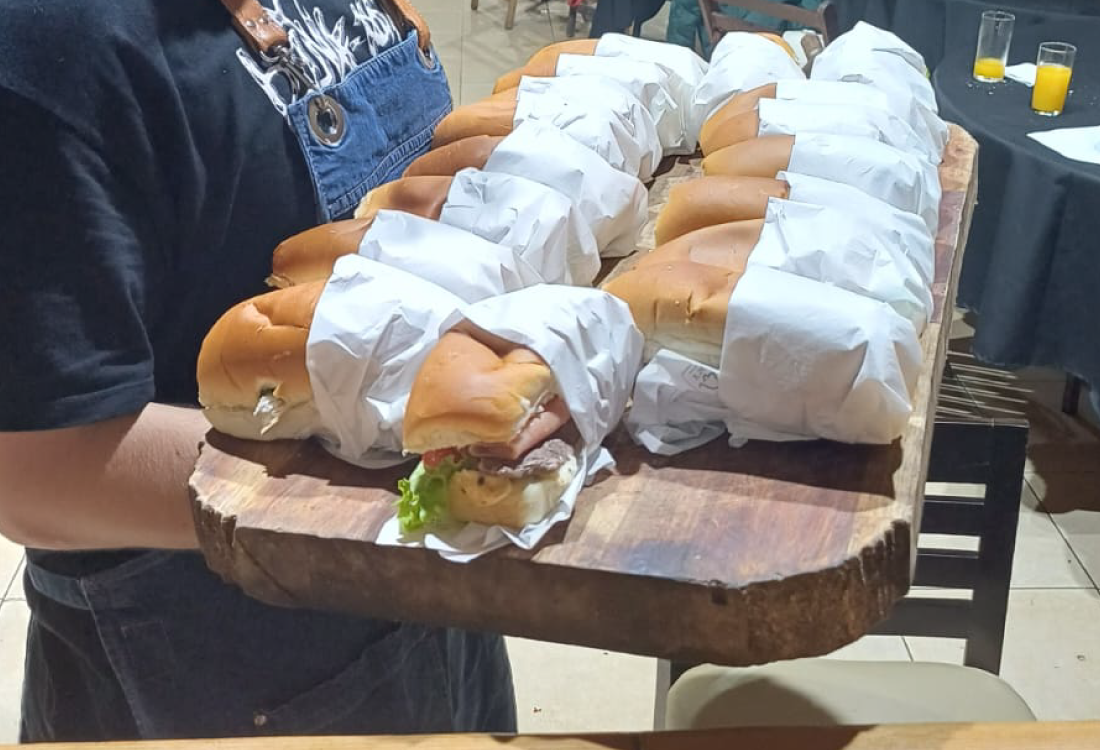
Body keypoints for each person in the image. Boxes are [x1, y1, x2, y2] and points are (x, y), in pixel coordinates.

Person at [0, 0, 517, 741]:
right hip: (225, 656)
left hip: (435, 588)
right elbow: (37, 473)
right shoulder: (48, 47)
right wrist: (399, 464)